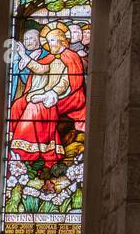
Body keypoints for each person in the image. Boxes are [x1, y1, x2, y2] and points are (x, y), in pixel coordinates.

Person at [7, 23, 86, 169]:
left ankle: (26, 151)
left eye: (53, 41)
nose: (50, 44)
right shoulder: (52, 56)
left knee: (35, 107)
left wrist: (50, 94)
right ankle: (11, 149)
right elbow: (41, 69)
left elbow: (67, 81)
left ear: (62, 40)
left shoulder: (71, 57)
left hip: (67, 96)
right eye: (48, 41)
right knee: (18, 104)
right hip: (48, 92)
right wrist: (24, 55)